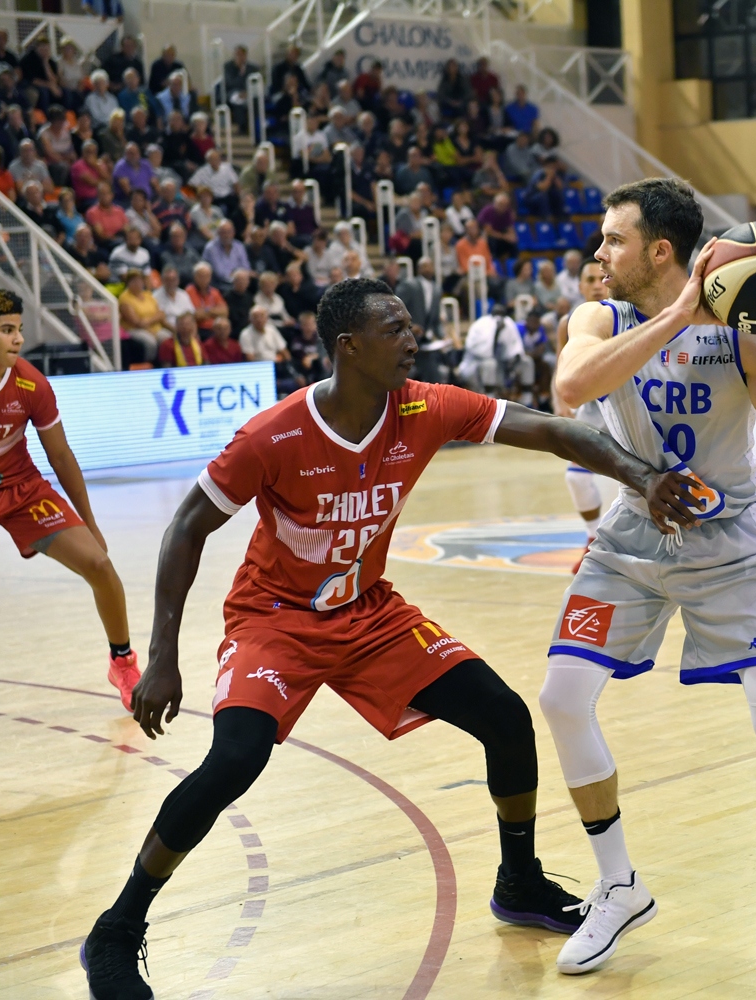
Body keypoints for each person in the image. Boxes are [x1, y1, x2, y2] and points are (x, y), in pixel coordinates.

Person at [79, 276, 701, 999]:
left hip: (371, 613)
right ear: (349, 347)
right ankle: (117, 929)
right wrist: (160, 658)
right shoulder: (275, 433)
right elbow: (188, 524)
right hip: (277, 619)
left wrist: (638, 475)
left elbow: (555, 427)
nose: (414, 339)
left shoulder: (426, 406)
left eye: (412, 326)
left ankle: (520, 881)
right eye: (396, 328)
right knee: (235, 759)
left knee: (505, 717)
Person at [538, 178, 756, 979]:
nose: (599, 253)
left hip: (732, 548)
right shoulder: (599, 316)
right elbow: (570, 390)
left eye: (614, 239)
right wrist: (678, 314)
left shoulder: (738, 334)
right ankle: (618, 887)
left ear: (660, 250)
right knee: (561, 697)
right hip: (631, 540)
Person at [0, 288, 139, 704]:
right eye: (6, 330)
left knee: (100, 565)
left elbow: (60, 455)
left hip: (20, 490)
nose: (18, 339)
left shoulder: (30, 383)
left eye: (19, 329)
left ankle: (123, 663)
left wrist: (90, 524)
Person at [552, 257, 610, 569]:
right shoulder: (568, 323)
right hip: (592, 408)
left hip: (632, 404)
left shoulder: (626, 315)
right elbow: (560, 367)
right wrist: (561, 404)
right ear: (580, 286)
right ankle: (592, 537)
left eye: (602, 278)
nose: (598, 285)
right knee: (576, 477)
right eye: (590, 280)